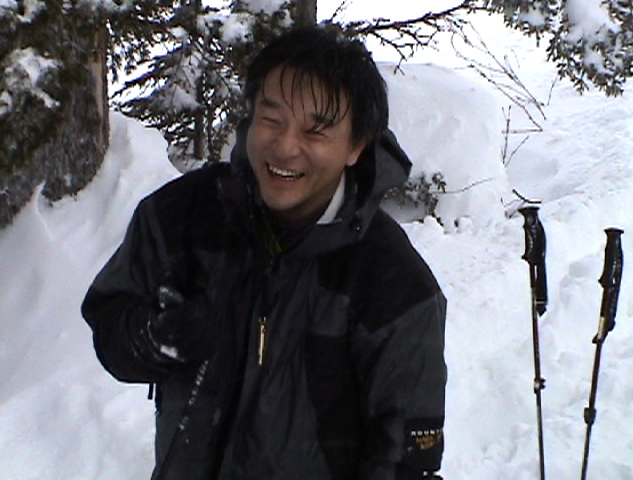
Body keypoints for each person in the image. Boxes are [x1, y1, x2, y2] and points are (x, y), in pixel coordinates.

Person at [82, 26, 447, 480]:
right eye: (271, 119)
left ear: (356, 146)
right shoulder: (182, 216)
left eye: (315, 130)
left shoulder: (393, 281)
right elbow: (111, 322)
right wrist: (160, 336)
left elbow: (406, 463)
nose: (286, 147)